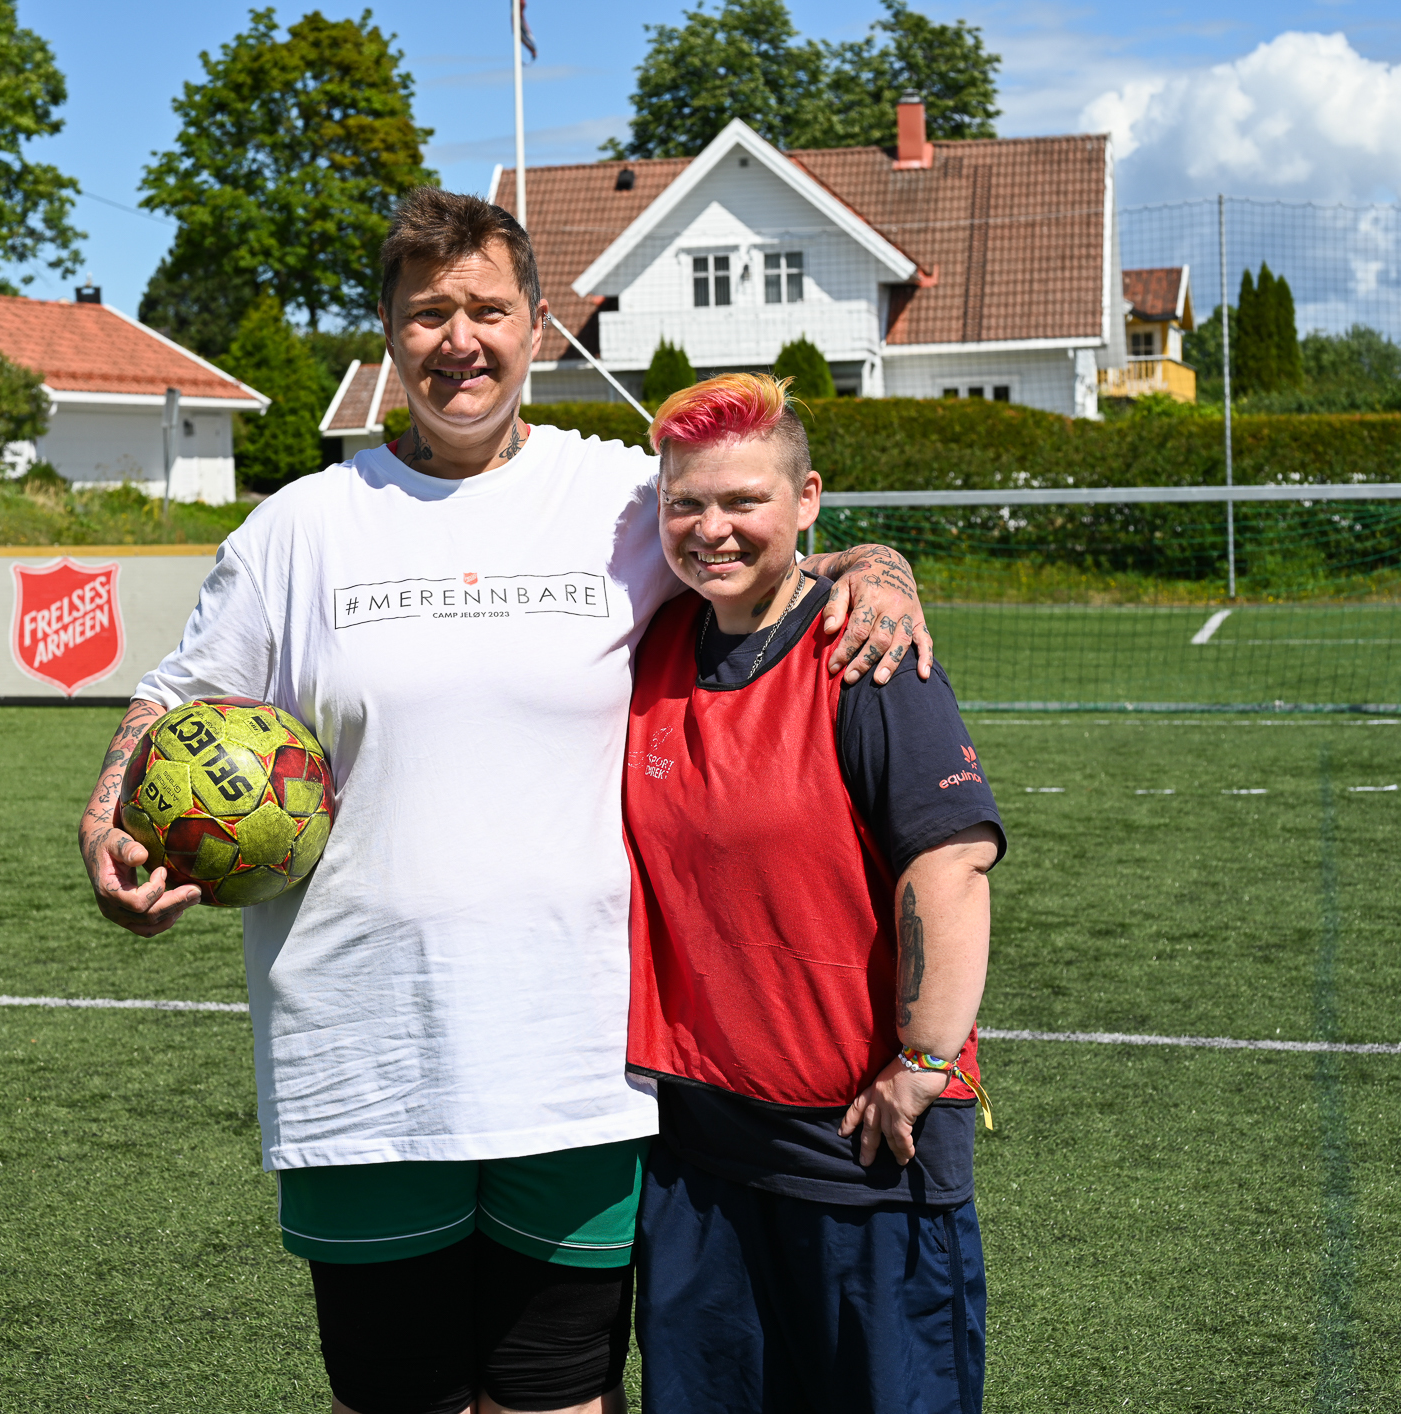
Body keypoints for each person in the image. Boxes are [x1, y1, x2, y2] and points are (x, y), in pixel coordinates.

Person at [78, 190, 934, 1414]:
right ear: (387, 334)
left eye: (487, 308)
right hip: (360, 1056)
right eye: (428, 313)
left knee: (559, 1403)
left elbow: (751, 541)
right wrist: (105, 826)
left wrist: (877, 563)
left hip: (573, 1058)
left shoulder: (620, 504)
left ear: (540, 326)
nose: (459, 340)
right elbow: (169, 708)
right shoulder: (299, 529)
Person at [623, 374, 1005, 1413]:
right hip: (695, 1151)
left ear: (808, 501)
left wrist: (923, 1062)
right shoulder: (657, 639)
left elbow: (952, 861)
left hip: (862, 1147)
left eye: (744, 500)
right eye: (686, 503)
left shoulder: (869, 652)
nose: (712, 529)